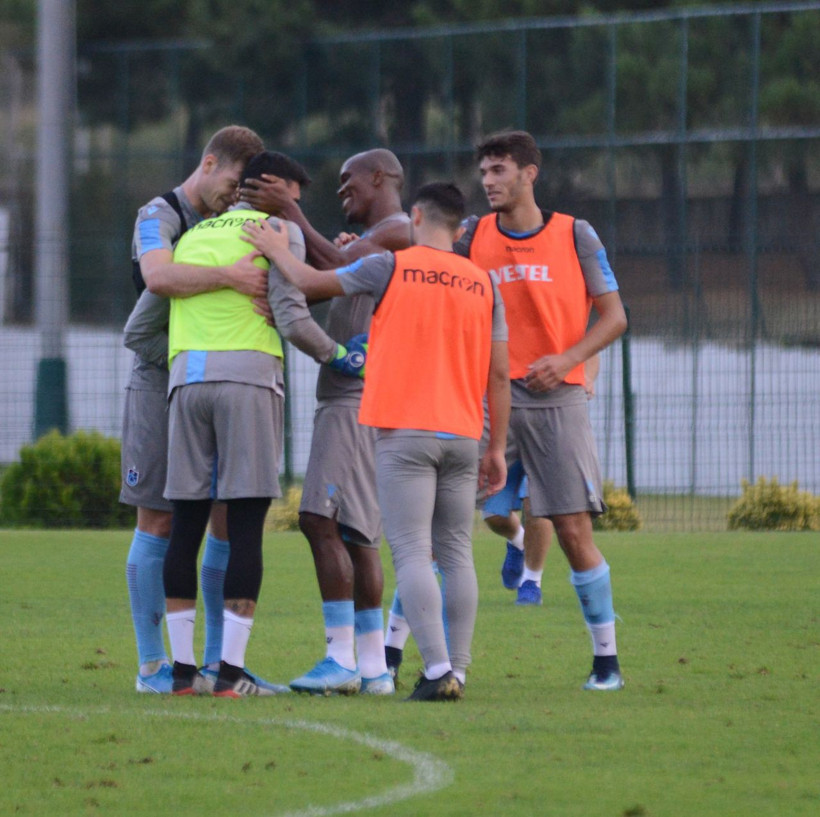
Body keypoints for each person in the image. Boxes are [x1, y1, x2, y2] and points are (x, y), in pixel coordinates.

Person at [243, 181, 510, 702]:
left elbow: (310, 280)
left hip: (403, 429)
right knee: (456, 553)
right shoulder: (485, 284)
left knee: (410, 550)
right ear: (459, 230)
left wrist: (277, 246)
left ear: (415, 217)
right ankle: (459, 667)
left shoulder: (391, 266)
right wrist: (496, 447)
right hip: (463, 431)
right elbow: (499, 376)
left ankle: (435, 673)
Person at [150, 150, 370, 697]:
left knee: (186, 525)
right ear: (278, 187)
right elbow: (292, 317)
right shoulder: (273, 230)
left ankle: (181, 674)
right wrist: (339, 355)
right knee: (246, 525)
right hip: (247, 379)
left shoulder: (193, 236)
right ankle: (229, 675)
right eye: (296, 195)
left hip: (186, 381)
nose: (297, 207)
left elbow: (148, 316)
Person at [455, 130, 628, 691]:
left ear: (530, 173)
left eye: (499, 170)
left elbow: (614, 316)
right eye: (483, 172)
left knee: (574, 530)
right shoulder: (470, 237)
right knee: (449, 518)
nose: (488, 182)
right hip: (487, 398)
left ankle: (607, 663)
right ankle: (396, 658)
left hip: (557, 398)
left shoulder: (575, 233)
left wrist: (571, 359)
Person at [240, 149, 410, 695]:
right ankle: (375, 669)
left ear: (380, 178)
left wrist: (291, 213)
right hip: (358, 396)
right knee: (358, 532)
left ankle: (341, 658)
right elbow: (332, 273)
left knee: (318, 518)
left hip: (353, 398)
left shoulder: (397, 230)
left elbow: (338, 271)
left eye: (347, 180)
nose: (340, 192)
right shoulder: (376, 238)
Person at [121, 125, 270, 695]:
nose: (236, 196)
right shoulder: (157, 214)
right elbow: (157, 278)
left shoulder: (233, 221)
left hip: (215, 387)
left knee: (227, 520)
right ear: (209, 163)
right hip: (162, 380)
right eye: (233, 183)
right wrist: (230, 277)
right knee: (158, 519)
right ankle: (153, 667)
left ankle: (215, 665)